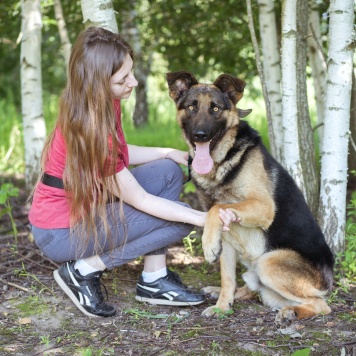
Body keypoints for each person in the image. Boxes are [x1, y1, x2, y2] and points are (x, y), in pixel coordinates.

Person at [29, 26, 236, 318]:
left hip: (82, 210)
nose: (134, 82)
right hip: (61, 232)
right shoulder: (90, 126)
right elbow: (141, 200)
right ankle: (82, 270)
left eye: (131, 72)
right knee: (178, 221)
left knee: (168, 172)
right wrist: (206, 219)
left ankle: (153, 279)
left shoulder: (101, 103)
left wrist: (167, 153)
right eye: (123, 78)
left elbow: (118, 154)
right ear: (98, 82)